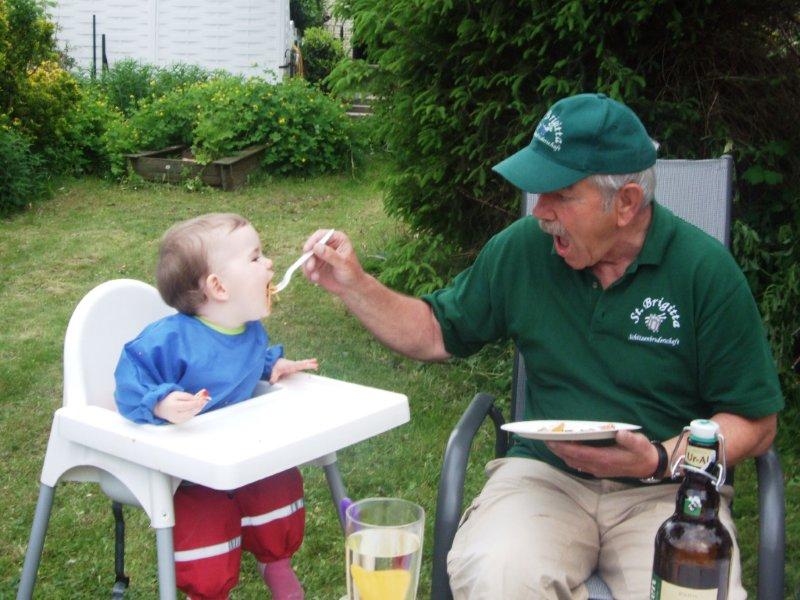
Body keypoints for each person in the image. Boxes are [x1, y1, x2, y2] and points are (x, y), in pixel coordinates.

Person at [299, 94, 784, 599]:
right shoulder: (522, 251)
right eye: (538, 192)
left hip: (667, 493)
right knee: (495, 575)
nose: (540, 211)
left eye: (560, 195)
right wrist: (355, 284)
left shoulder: (704, 273)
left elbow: (755, 420)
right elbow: (435, 331)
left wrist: (658, 460)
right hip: (544, 479)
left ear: (626, 203)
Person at [114, 213, 319, 600]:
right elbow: (128, 379)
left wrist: (272, 365)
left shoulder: (246, 330)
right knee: (203, 530)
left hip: (239, 451)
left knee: (278, 482)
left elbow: (240, 362)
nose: (270, 264)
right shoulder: (170, 339)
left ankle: (277, 565)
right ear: (219, 287)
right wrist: (158, 402)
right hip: (187, 470)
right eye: (256, 258)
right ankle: (207, 594)